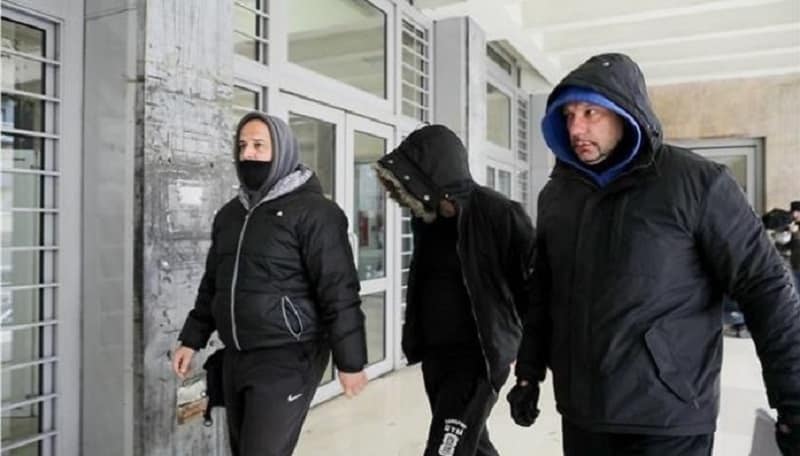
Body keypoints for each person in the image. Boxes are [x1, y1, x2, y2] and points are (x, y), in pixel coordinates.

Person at [507, 53, 800, 456]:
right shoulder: (558, 195)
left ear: (625, 113)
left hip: (668, 417)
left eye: (591, 112)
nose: (576, 128)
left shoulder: (698, 183)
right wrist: (528, 372)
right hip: (582, 413)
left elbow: (765, 286)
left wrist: (793, 398)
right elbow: (545, 291)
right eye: (569, 115)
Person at [172, 112, 368, 456]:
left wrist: (350, 361)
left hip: (289, 357)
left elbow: (338, 290)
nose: (247, 153)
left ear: (283, 151)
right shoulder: (230, 215)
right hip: (236, 355)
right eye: (242, 145)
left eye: (259, 146)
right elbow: (213, 283)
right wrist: (192, 338)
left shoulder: (316, 213)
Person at [374, 125, 536, 456]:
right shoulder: (427, 220)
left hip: (480, 357)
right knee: (472, 443)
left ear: (434, 174)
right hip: (437, 354)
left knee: (446, 448)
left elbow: (533, 288)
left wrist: (528, 367)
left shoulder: (498, 212)